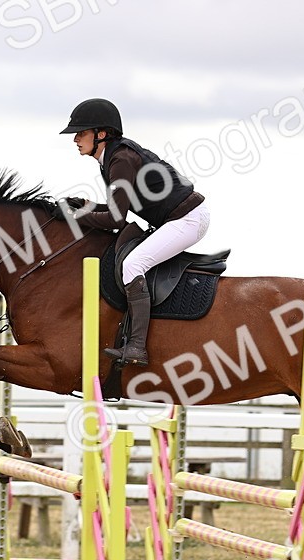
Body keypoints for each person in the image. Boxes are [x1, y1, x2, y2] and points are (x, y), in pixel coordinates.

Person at [60, 98, 210, 367]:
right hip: (175, 218)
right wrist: (87, 206)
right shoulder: (113, 157)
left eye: (81, 133)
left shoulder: (120, 159)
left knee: (133, 264)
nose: (75, 139)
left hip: (186, 219)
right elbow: (121, 207)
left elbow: (116, 219)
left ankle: (137, 347)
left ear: (101, 134)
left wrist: (77, 217)